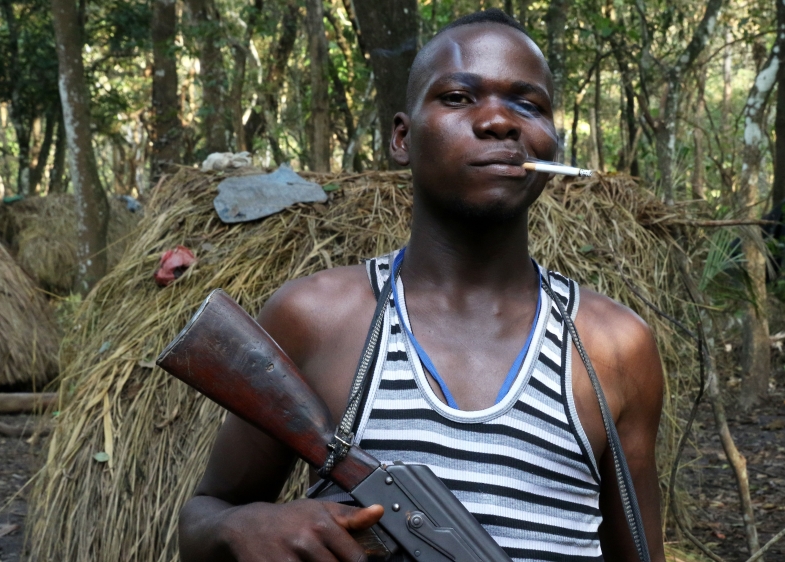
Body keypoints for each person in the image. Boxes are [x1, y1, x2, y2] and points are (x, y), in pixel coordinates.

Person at [177, 9, 666, 561]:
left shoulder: (614, 347)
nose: (499, 121)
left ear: (552, 142)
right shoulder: (316, 318)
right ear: (402, 137)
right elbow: (204, 515)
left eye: (528, 104)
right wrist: (243, 527)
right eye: (458, 97)